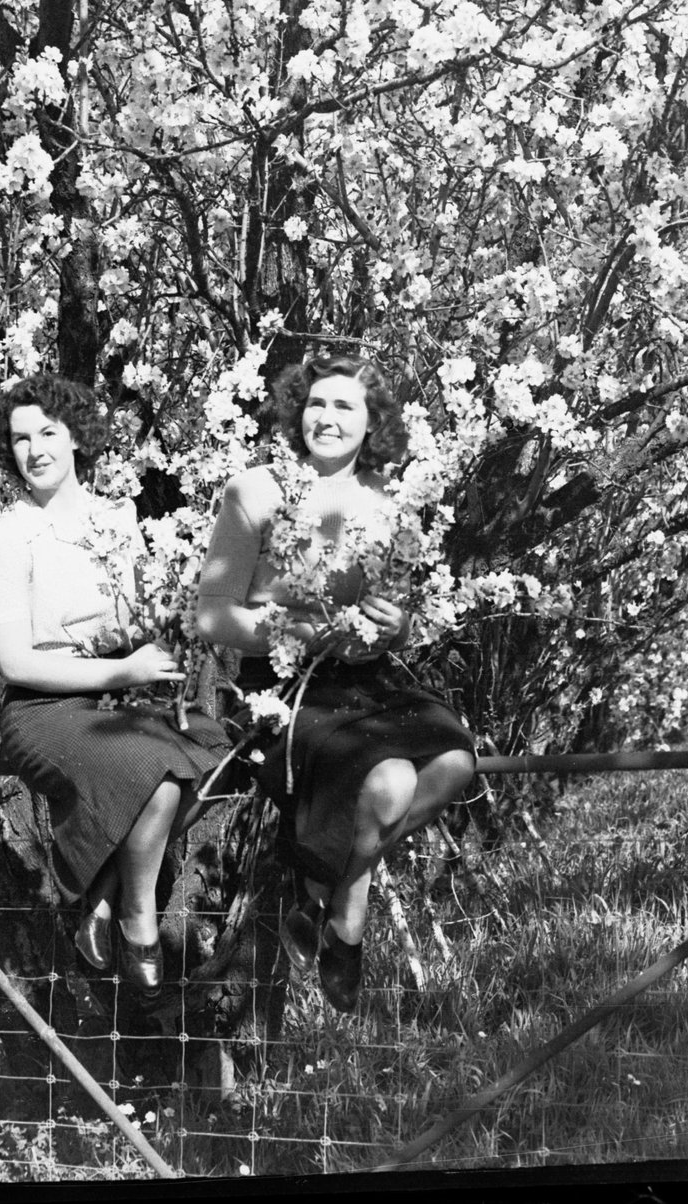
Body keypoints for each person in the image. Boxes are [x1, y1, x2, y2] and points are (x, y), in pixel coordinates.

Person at [194, 353, 476, 1012]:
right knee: (388, 782)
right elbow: (212, 615)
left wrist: (391, 624)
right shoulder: (255, 491)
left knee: (455, 763)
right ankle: (346, 919)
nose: (326, 417)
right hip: (280, 686)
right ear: (296, 413)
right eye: (316, 403)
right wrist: (298, 633)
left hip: (366, 678)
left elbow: (398, 622)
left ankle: (323, 892)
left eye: (344, 406)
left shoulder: (392, 500)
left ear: (371, 421)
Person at [0, 373, 231, 988]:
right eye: (19, 439)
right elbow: (15, 662)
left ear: (76, 439)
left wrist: (162, 613)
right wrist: (121, 664)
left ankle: (103, 896)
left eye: (47, 433)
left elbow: (134, 618)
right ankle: (137, 921)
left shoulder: (118, 519)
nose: (34, 450)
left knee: (217, 757)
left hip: (119, 699)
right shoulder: (2, 538)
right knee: (157, 777)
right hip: (43, 710)